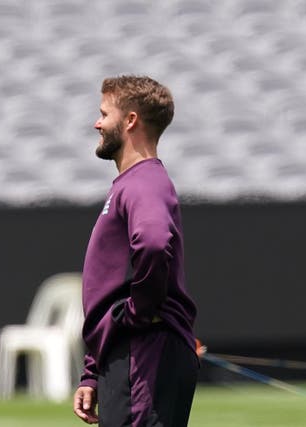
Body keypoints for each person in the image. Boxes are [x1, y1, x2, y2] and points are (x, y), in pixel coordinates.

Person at [73, 75, 199, 426]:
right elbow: (114, 284)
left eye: (104, 114)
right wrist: (93, 370)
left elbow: (155, 243)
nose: (97, 123)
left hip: (144, 350)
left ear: (130, 121)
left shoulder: (144, 182)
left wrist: (137, 313)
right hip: (131, 351)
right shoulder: (134, 183)